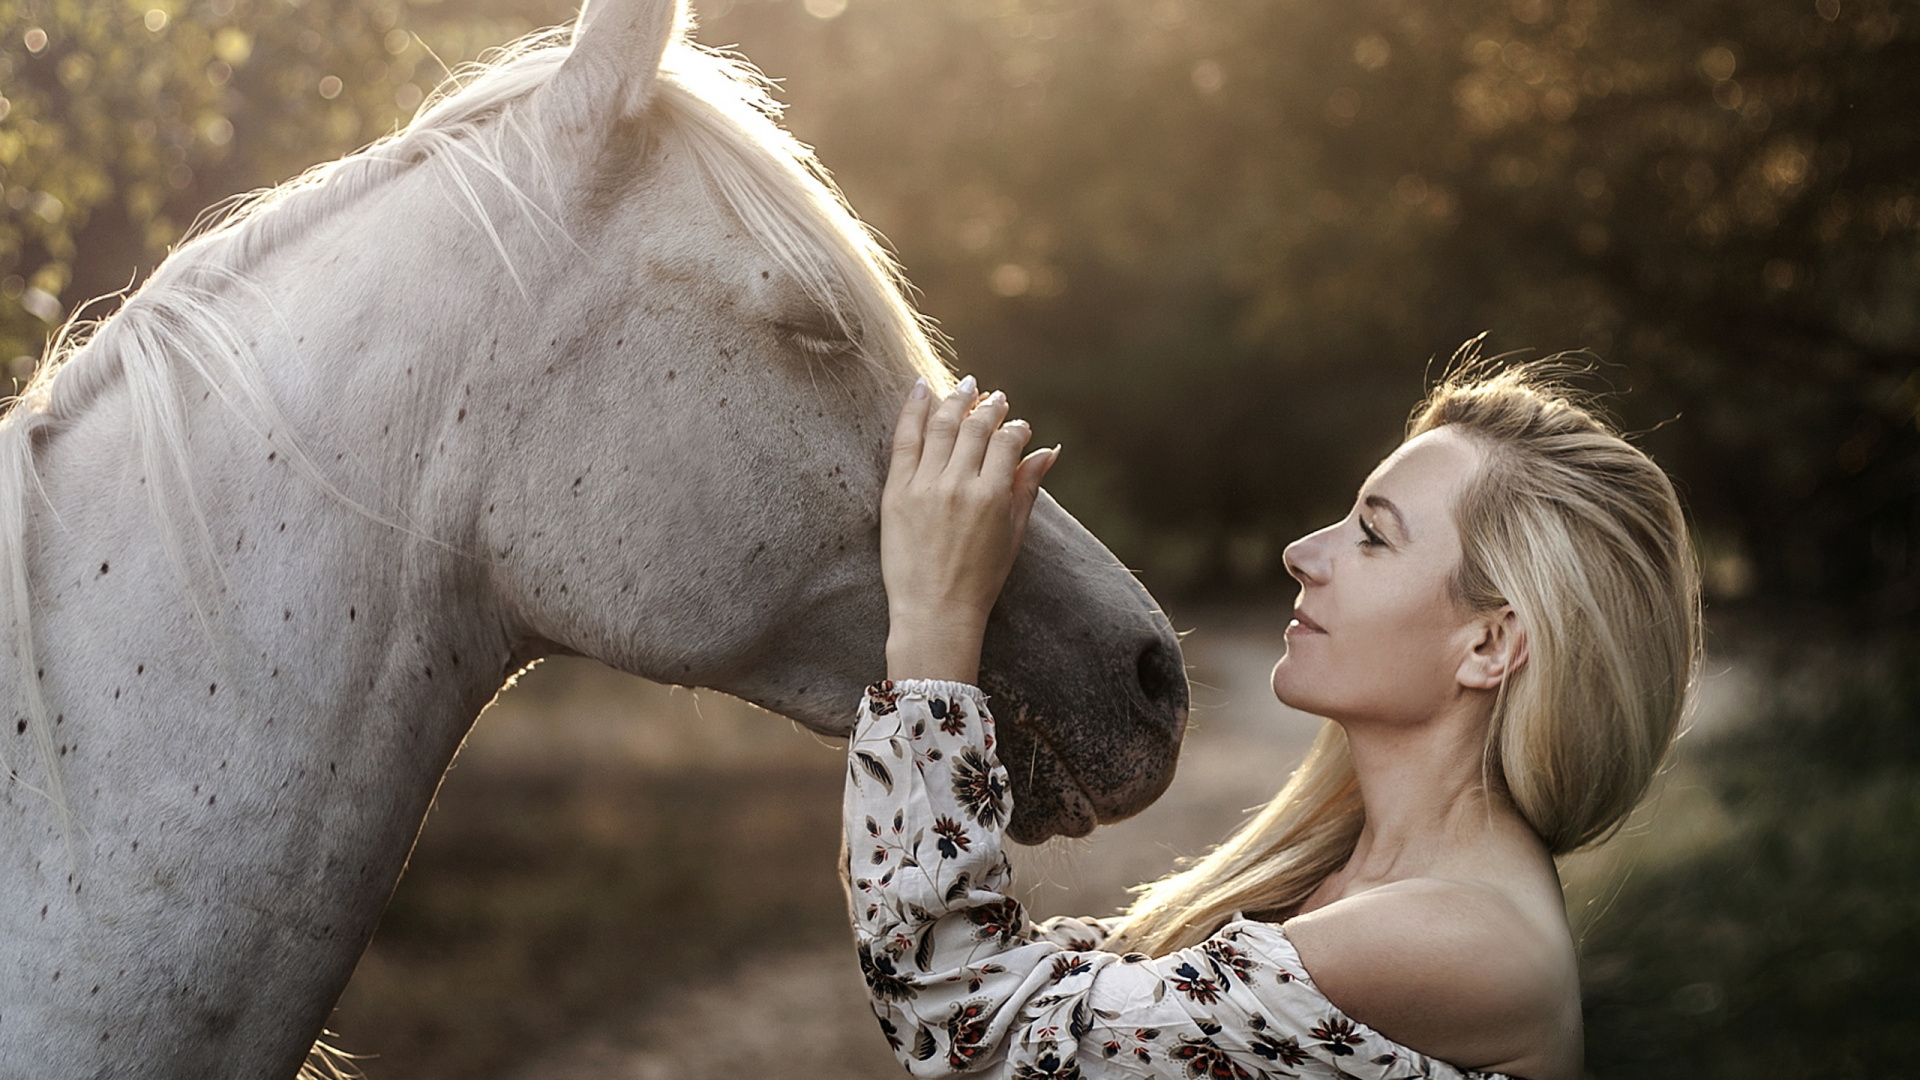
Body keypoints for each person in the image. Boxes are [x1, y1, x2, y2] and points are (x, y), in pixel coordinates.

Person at [843, 359, 1701, 1080]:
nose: (1303, 552)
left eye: (1372, 534)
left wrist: (934, 615)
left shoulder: (1461, 942)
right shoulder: (1342, 883)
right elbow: (1052, 995)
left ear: (1489, 644)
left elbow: (973, 1027)